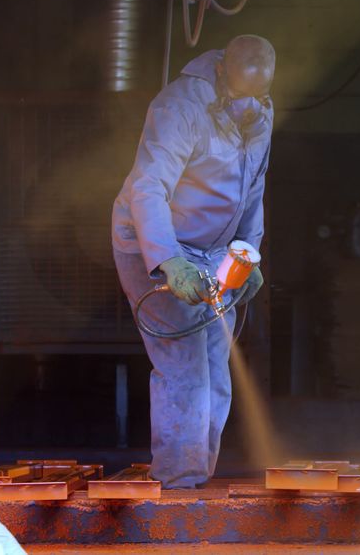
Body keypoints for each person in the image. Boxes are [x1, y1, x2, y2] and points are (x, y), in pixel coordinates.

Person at [110, 35, 274, 488]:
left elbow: (253, 186)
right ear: (221, 70)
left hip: (217, 248)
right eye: (240, 95)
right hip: (156, 240)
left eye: (256, 97)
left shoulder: (260, 109)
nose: (248, 106)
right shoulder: (179, 107)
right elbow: (148, 189)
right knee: (185, 369)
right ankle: (178, 486)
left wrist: (249, 250)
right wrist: (168, 262)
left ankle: (197, 477)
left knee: (217, 370)